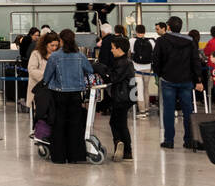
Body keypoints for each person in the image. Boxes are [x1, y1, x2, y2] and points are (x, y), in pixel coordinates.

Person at [42, 29, 96, 164]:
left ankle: (59, 157)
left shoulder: (55, 56)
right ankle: (74, 156)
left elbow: (47, 77)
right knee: (75, 125)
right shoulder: (80, 55)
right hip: (76, 94)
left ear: (61, 41)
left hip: (58, 94)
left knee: (59, 125)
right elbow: (89, 70)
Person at [152, 15, 204, 150]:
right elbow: (195, 61)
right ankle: (189, 140)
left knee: (168, 111)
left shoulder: (162, 40)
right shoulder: (190, 41)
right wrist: (198, 78)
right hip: (186, 80)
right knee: (188, 111)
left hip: (168, 80)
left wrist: (159, 74)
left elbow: (156, 60)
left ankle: (168, 141)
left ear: (168, 27)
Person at [106, 39, 135, 160]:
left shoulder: (122, 63)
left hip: (121, 97)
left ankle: (120, 144)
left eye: (113, 47)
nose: (111, 50)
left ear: (119, 49)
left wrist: (102, 70)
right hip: (127, 97)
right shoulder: (127, 62)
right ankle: (125, 149)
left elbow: (113, 77)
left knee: (117, 123)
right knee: (120, 122)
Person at [27, 31, 60, 127]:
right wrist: (48, 76)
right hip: (39, 90)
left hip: (54, 90)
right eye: (52, 45)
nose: (54, 48)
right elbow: (32, 70)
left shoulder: (58, 56)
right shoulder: (36, 54)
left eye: (56, 46)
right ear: (46, 44)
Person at [130, 24, 154, 117]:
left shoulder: (132, 40)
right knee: (146, 88)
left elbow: (130, 53)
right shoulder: (151, 41)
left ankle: (142, 111)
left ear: (136, 31)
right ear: (144, 32)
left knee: (139, 89)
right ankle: (147, 108)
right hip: (148, 67)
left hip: (137, 68)